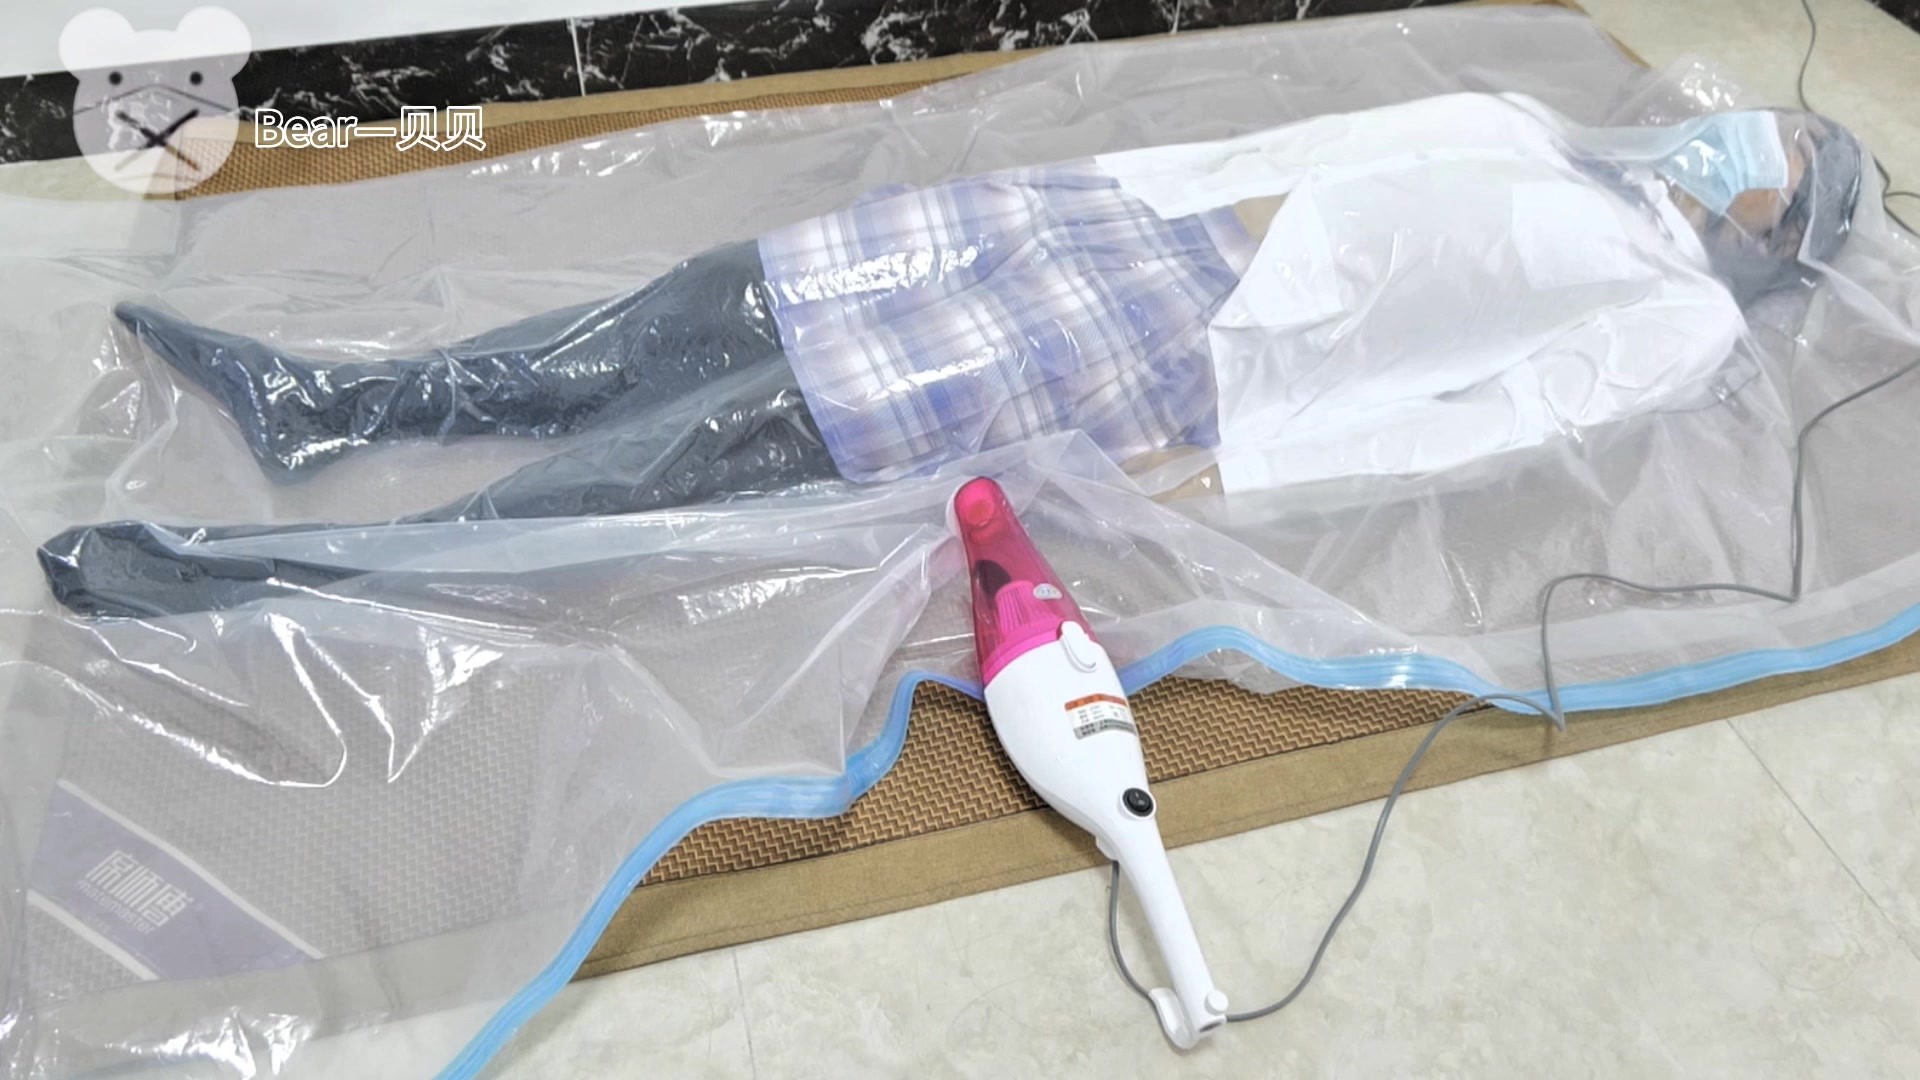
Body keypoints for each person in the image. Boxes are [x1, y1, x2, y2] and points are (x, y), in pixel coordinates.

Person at [42, 93, 1863, 617]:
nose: (1743, 139)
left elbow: (1475, 419)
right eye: (1769, 124)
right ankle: (335, 404)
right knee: (700, 308)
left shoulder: (1675, 311)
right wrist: (1092, 182)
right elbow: (1283, 151)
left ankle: (273, 571)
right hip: (1089, 228)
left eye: (1782, 161)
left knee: (720, 441)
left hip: (1173, 345)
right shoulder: (1546, 130)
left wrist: (1230, 468)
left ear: (1775, 232)